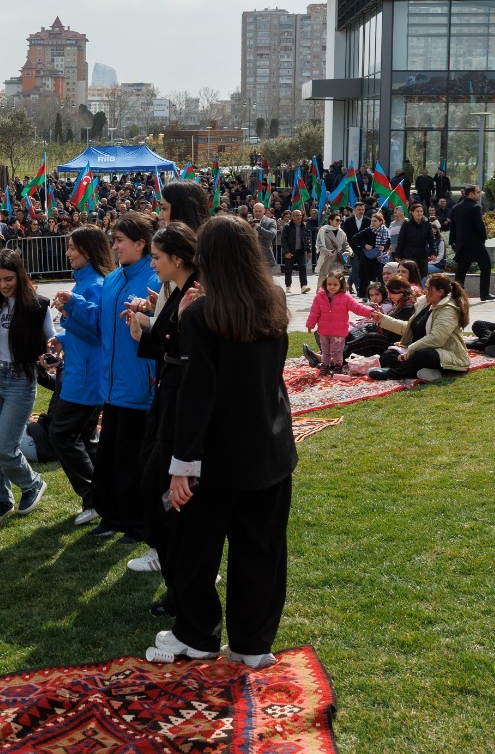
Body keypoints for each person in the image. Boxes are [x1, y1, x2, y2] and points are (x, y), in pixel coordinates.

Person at [147, 215, 294, 669]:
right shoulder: (272, 303)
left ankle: (198, 636)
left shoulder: (201, 314)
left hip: (215, 457)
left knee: (195, 547)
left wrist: (183, 464)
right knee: (261, 551)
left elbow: (198, 395)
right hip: (269, 449)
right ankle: (253, 642)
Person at [60, 214, 157, 541]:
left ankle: (136, 523)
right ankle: (111, 516)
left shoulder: (153, 280)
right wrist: (73, 308)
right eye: (113, 240)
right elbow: (100, 326)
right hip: (111, 385)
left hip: (139, 386)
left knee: (131, 460)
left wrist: (145, 319)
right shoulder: (114, 279)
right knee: (109, 458)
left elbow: (161, 329)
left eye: (119, 241)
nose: (113, 246)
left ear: (140, 243)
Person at [125, 223, 198, 583]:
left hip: (182, 396)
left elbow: (185, 346)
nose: (152, 264)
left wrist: (157, 325)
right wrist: (144, 327)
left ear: (178, 258)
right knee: (151, 474)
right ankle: (173, 561)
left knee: (165, 481)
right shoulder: (178, 290)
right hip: (168, 391)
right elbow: (168, 338)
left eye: (156, 257)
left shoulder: (195, 293)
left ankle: (184, 566)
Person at [0, 248, 57, 521]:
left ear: (19, 276)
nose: (3, 285)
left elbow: (51, 339)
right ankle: (2, 499)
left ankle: (32, 483)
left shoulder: (37, 305)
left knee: (4, 448)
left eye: (8, 279)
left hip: (21, 380)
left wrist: (51, 356)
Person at [49, 226, 114, 527]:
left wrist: (69, 311)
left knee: (62, 434)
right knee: (86, 438)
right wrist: (64, 335)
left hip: (86, 376)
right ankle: (103, 498)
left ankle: (94, 498)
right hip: (81, 370)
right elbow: (84, 330)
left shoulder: (96, 285)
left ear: (88, 250)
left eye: (73, 248)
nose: (68, 253)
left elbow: (99, 331)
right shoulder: (86, 283)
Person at [367, 275, 471, 382]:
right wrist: (382, 319)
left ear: (440, 292)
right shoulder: (425, 304)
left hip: (445, 354)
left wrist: (411, 349)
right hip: (420, 350)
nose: (425, 291)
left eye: (429, 289)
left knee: (423, 354)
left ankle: (394, 374)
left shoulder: (449, 310)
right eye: (425, 287)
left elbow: (437, 338)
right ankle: (428, 372)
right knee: (389, 354)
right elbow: (409, 328)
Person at [303, 270, 370, 374]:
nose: (332, 287)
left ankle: (338, 366)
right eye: (329, 284)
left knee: (337, 351)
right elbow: (314, 312)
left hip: (339, 332)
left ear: (341, 285)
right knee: (325, 351)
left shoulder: (346, 298)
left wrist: (370, 312)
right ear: (325, 283)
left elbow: (357, 308)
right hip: (324, 331)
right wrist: (310, 325)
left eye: (335, 284)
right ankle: (325, 366)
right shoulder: (319, 297)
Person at [449, 185, 495, 303]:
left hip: (462, 244)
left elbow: (453, 227)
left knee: (461, 270)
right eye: (478, 192)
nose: (479, 194)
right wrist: (483, 237)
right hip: (475, 243)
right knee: (486, 266)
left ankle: (457, 295)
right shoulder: (475, 207)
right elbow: (479, 226)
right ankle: (484, 294)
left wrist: (453, 243)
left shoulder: (455, 207)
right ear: (471, 194)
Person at [279, 208, 312, 293]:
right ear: (292, 216)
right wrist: (286, 252)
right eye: (297, 215)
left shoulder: (304, 226)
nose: (299, 217)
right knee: (288, 269)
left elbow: (307, 239)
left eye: (300, 215)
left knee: (303, 268)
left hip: (300, 251)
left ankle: (304, 286)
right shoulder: (287, 226)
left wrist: (309, 250)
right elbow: (283, 240)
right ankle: (288, 286)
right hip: (290, 251)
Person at [313, 211, 350, 282]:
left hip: (338, 259)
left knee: (337, 280)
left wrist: (348, 252)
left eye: (340, 220)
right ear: (331, 221)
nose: (339, 222)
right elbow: (319, 244)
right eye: (337, 220)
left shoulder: (341, 232)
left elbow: (345, 244)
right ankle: (321, 293)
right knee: (323, 280)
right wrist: (327, 252)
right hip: (326, 258)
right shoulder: (323, 230)